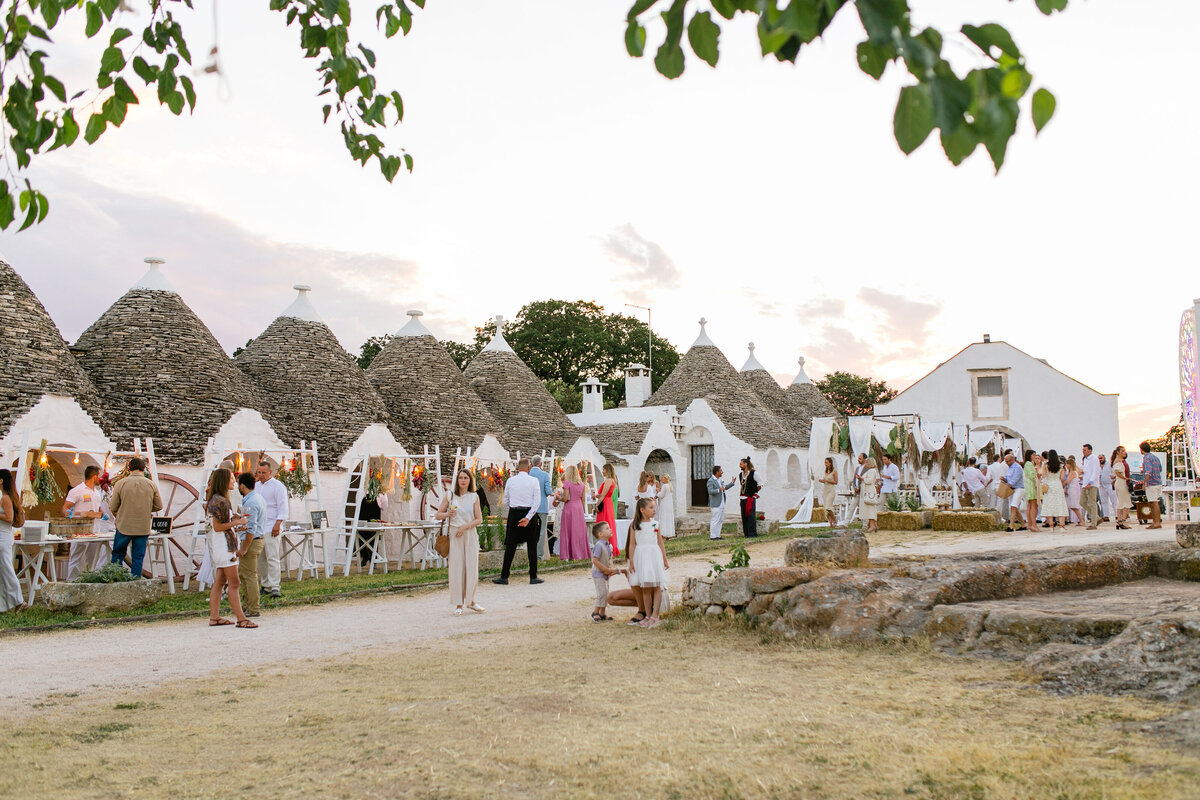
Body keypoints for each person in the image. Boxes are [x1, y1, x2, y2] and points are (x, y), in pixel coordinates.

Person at [205, 469, 255, 628]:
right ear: (224, 481)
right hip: (225, 546)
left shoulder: (216, 499)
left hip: (221, 545)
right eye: (232, 478)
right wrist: (237, 523)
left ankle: (215, 617)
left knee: (219, 582)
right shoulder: (220, 501)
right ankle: (241, 618)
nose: (234, 481)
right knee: (234, 582)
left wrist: (234, 523)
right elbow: (218, 527)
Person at [436, 468, 485, 614]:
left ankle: (471, 600)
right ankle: (458, 604)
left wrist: (465, 527)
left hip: (469, 533)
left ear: (470, 481)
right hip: (454, 535)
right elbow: (438, 515)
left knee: (471, 567)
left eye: (466, 478)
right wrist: (447, 513)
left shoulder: (474, 497)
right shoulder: (450, 496)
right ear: (457, 480)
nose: (463, 481)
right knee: (457, 569)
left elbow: (479, 519)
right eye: (461, 478)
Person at [108, 457, 163, 578]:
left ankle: (115, 579)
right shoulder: (151, 484)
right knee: (138, 556)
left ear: (129, 468)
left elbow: (113, 506)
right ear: (144, 468)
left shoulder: (121, 483)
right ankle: (135, 580)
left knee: (118, 553)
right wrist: (146, 509)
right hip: (142, 526)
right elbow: (159, 505)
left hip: (124, 525)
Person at [493, 458, 544, 585]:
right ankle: (533, 576)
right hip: (529, 513)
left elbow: (505, 501)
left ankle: (504, 576)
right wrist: (528, 517)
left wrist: (515, 507)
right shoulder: (534, 481)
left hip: (514, 513)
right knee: (532, 546)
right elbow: (536, 502)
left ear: (517, 467)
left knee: (510, 546)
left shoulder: (510, 480)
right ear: (529, 468)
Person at [62, 465, 112, 579]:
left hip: (95, 529)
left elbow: (98, 508)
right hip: (80, 529)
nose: (100, 479)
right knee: (76, 557)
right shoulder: (77, 490)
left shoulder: (96, 492)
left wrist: (102, 514)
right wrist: (69, 514)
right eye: (99, 476)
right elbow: (65, 507)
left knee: (93, 557)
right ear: (94, 477)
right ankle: (72, 581)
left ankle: (91, 580)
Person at [626, 497, 668, 628]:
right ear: (642, 510)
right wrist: (631, 561)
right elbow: (632, 544)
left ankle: (655, 615)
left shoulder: (656, 524)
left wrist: (664, 559)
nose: (654, 510)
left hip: (654, 555)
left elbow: (660, 543)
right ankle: (648, 615)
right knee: (645, 587)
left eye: (654, 507)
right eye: (651, 507)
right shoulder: (635, 525)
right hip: (641, 556)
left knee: (657, 586)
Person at [254, 461, 289, 599]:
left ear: (270, 472)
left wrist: (278, 523)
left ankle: (275, 586)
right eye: (259, 472)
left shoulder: (278, 486)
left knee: (272, 556)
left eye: (263, 472)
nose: (261, 475)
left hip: (272, 524)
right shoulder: (256, 486)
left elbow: (282, 506)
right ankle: (266, 584)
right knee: (261, 557)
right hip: (259, 526)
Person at [235, 472, 267, 617]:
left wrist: (244, 548)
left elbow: (251, 528)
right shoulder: (257, 498)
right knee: (245, 574)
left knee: (249, 576)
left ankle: (253, 607)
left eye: (238, 485)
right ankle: (248, 605)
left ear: (242, 486)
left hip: (252, 542)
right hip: (256, 539)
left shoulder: (251, 502)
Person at [0, 469, 27, 612]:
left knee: (7, 570)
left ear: (1, 480)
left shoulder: (5, 498)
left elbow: (9, 518)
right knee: (3, 571)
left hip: (2, 538)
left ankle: (19, 601)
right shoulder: (8, 496)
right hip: (4, 536)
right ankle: (5, 605)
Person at [556, 465, 589, 560]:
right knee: (578, 531)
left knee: (568, 531)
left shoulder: (567, 483)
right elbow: (583, 500)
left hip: (570, 507)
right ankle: (581, 553)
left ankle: (569, 554)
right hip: (578, 508)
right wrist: (581, 510)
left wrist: (559, 498)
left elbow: (565, 498)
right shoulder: (582, 484)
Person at [589, 521, 618, 622]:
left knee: (605, 593)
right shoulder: (599, 545)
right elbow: (595, 560)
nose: (610, 530)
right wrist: (604, 569)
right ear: (600, 534)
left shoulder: (608, 545)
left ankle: (602, 613)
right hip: (598, 573)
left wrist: (610, 568)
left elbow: (610, 558)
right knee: (601, 593)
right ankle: (595, 612)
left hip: (606, 574)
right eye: (607, 528)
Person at [528, 456, 553, 561]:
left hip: (529, 507)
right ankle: (538, 556)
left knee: (529, 532)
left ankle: (529, 553)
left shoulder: (528, 474)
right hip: (542, 506)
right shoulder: (544, 475)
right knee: (541, 532)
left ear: (531, 463)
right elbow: (548, 492)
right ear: (541, 464)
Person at [594, 463, 619, 557]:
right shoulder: (611, 481)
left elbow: (604, 495)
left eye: (603, 469)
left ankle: (607, 547)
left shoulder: (609, 480)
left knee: (604, 523)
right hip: (607, 502)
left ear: (607, 470)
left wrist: (597, 504)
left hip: (606, 503)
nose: (602, 471)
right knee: (606, 523)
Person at [1138, 441, 1163, 530]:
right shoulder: (1155, 457)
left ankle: (1156, 523)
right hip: (1158, 482)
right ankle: (1156, 522)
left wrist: (1144, 482)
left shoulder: (1147, 458)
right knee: (1154, 502)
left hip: (1152, 483)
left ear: (1141, 449)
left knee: (1153, 503)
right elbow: (1159, 469)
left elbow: (1149, 472)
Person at [707, 465, 735, 540]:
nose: (722, 472)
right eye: (721, 471)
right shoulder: (711, 480)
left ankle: (717, 535)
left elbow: (724, 488)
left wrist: (732, 483)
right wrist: (719, 489)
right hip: (716, 503)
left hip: (722, 502)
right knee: (715, 519)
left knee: (720, 519)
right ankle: (712, 536)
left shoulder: (720, 480)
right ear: (717, 472)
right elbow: (710, 491)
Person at [1041, 450, 1068, 529]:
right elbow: (1062, 478)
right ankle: (1062, 525)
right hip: (1057, 484)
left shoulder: (1045, 465)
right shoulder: (1061, 465)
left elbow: (1043, 476)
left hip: (1049, 484)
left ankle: (1051, 525)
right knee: (1060, 503)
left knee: (1049, 504)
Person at [1079, 444, 1102, 529]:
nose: (1083, 451)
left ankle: (1094, 523)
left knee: (1092, 502)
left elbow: (1095, 471)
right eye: (1083, 450)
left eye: (1085, 450)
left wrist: (1090, 482)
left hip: (1092, 484)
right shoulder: (1085, 459)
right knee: (1082, 502)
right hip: (1084, 483)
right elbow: (1085, 470)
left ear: (1090, 450)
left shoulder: (1094, 459)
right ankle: (1096, 517)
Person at [1001, 452, 1025, 532]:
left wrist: (1008, 484)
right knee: (1014, 507)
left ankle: (1011, 526)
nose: (1006, 463)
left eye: (1007, 461)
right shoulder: (1009, 468)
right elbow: (1009, 479)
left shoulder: (1017, 467)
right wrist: (1004, 480)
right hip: (1012, 489)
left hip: (1018, 488)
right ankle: (1023, 524)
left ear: (1012, 460)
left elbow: (1015, 479)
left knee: (1013, 506)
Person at [738, 457, 761, 537]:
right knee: (744, 516)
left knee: (751, 517)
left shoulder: (754, 473)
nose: (739, 466)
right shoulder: (741, 475)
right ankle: (746, 534)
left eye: (741, 464)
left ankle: (752, 534)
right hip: (742, 498)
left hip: (750, 499)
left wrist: (754, 493)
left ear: (745, 464)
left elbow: (759, 484)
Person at [1110, 448, 1132, 530]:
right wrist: (1125, 478)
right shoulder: (1118, 461)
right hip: (1121, 483)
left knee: (1121, 502)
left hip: (1120, 483)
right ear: (1118, 452)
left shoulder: (1118, 461)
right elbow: (1117, 472)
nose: (1124, 452)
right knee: (1126, 502)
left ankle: (1120, 520)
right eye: (1122, 451)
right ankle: (1123, 521)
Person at [858, 457, 881, 533]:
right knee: (871, 508)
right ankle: (874, 524)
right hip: (868, 491)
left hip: (869, 491)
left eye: (867, 463)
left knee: (870, 509)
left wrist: (861, 478)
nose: (865, 464)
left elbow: (869, 481)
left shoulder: (871, 471)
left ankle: (872, 526)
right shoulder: (871, 471)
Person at [1023, 450, 1042, 532]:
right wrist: (1037, 474)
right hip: (1031, 486)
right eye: (1033, 455)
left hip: (1028, 485)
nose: (1034, 457)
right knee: (1034, 505)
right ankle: (1034, 524)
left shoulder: (1026, 464)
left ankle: (1030, 524)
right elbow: (1032, 475)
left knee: (1030, 506)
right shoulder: (1029, 464)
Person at [818, 457, 838, 526]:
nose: (825, 464)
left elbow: (836, 482)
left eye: (826, 462)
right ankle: (830, 523)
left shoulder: (834, 471)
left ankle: (835, 520)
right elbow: (825, 480)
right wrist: (822, 480)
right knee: (826, 508)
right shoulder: (825, 471)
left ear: (830, 463)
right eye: (825, 462)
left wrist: (826, 480)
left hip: (831, 490)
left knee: (828, 507)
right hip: (825, 490)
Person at [985, 454, 1006, 520]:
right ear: (999, 458)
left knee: (992, 501)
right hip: (1000, 484)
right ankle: (999, 516)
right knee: (1000, 501)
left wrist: (985, 484)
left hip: (993, 485)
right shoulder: (1001, 466)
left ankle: (991, 516)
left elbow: (988, 477)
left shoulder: (990, 466)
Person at [657, 474, 675, 539]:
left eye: (662, 478)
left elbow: (661, 495)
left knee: (664, 518)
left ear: (665, 479)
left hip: (664, 504)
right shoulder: (670, 486)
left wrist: (658, 492)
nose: (661, 479)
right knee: (668, 518)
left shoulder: (664, 486)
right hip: (669, 504)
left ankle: (663, 533)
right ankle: (669, 533)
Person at [1098, 453, 1115, 522]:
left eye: (1101, 458)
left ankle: (1117, 515)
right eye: (1099, 458)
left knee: (1114, 500)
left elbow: (1113, 473)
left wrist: (1113, 480)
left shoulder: (1109, 465)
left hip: (1110, 484)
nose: (1100, 460)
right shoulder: (1097, 466)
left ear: (1104, 458)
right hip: (1101, 485)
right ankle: (1106, 516)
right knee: (1103, 501)